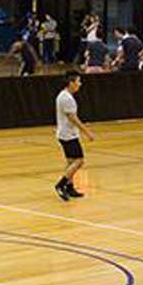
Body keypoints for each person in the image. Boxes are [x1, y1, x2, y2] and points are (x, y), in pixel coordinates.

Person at [54, 71, 93, 200]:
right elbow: (73, 118)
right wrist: (86, 132)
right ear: (71, 83)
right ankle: (61, 184)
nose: (79, 84)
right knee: (79, 161)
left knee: (71, 161)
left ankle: (70, 188)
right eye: (78, 81)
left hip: (65, 133)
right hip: (68, 135)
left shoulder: (64, 96)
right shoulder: (66, 98)